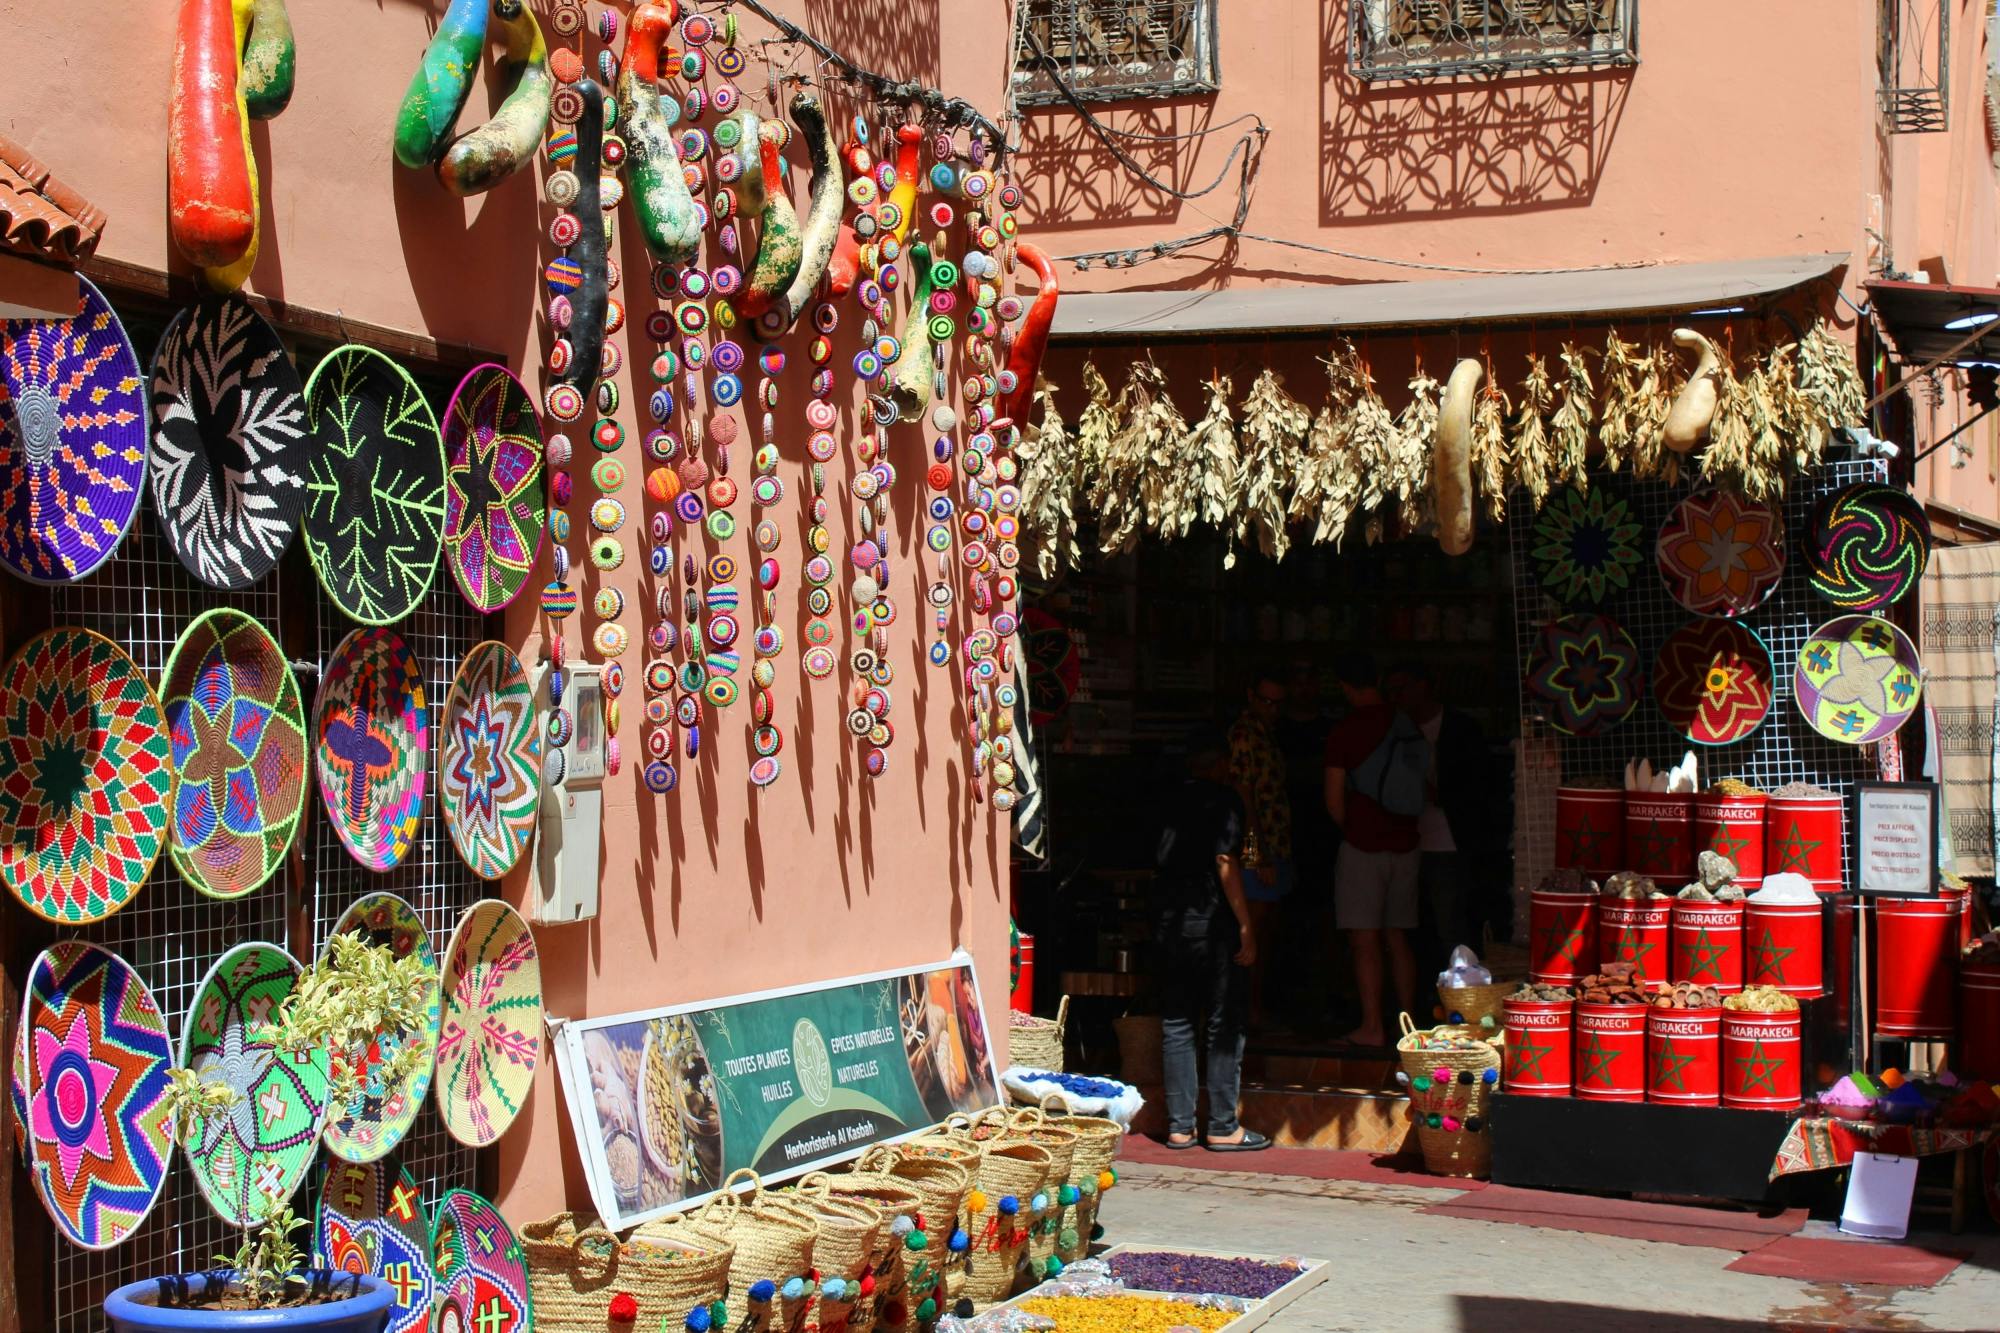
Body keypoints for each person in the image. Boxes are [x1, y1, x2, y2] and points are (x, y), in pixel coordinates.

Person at [1153, 726, 1271, 1152]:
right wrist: (1245, 923)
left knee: (1178, 1022)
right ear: (1221, 764)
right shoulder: (1224, 799)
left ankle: (1180, 1126)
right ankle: (1222, 1125)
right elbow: (1225, 860)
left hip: (1170, 924)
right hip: (1213, 925)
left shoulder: (1164, 798)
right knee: (1223, 1022)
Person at [1323, 651, 1425, 1048]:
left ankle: (1372, 1027)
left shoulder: (1346, 731)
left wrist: (1354, 827)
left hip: (1363, 845)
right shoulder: (1405, 724)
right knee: (1398, 936)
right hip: (1408, 843)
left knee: (1364, 939)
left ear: (1346, 688)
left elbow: (1334, 800)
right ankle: (1409, 1025)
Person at [1386, 660, 1493, 970]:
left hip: (1448, 844)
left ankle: (1461, 1000)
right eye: (1389, 691)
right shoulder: (1393, 730)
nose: (1395, 697)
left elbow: (1478, 787)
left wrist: (1432, 791)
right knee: (1408, 930)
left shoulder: (1461, 728)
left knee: (1451, 928)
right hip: (1403, 844)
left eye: (1401, 689)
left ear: (1423, 686)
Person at [1227, 666, 1291, 1029]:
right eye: (1265, 701)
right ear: (1251, 696)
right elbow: (1244, 793)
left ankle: (1253, 1007)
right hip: (1258, 849)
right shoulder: (1244, 735)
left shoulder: (1268, 734)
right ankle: (1247, 1010)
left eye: (1277, 703)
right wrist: (1258, 850)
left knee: (1266, 933)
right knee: (1252, 932)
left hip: (1276, 841)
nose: (1272, 708)